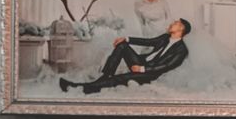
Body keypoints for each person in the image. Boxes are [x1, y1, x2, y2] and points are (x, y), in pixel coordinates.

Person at [59, 18, 191, 94]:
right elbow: (148, 42)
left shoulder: (181, 50)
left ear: (180, 28)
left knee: (120, 78)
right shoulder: (165, 37)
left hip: (150, 73)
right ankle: (106, 76)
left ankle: (82, 88)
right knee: (122, 46)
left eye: (175, 23)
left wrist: (142, 70)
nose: (171, 23)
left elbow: (166, 66)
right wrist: (126, 39)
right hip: (142, 62)